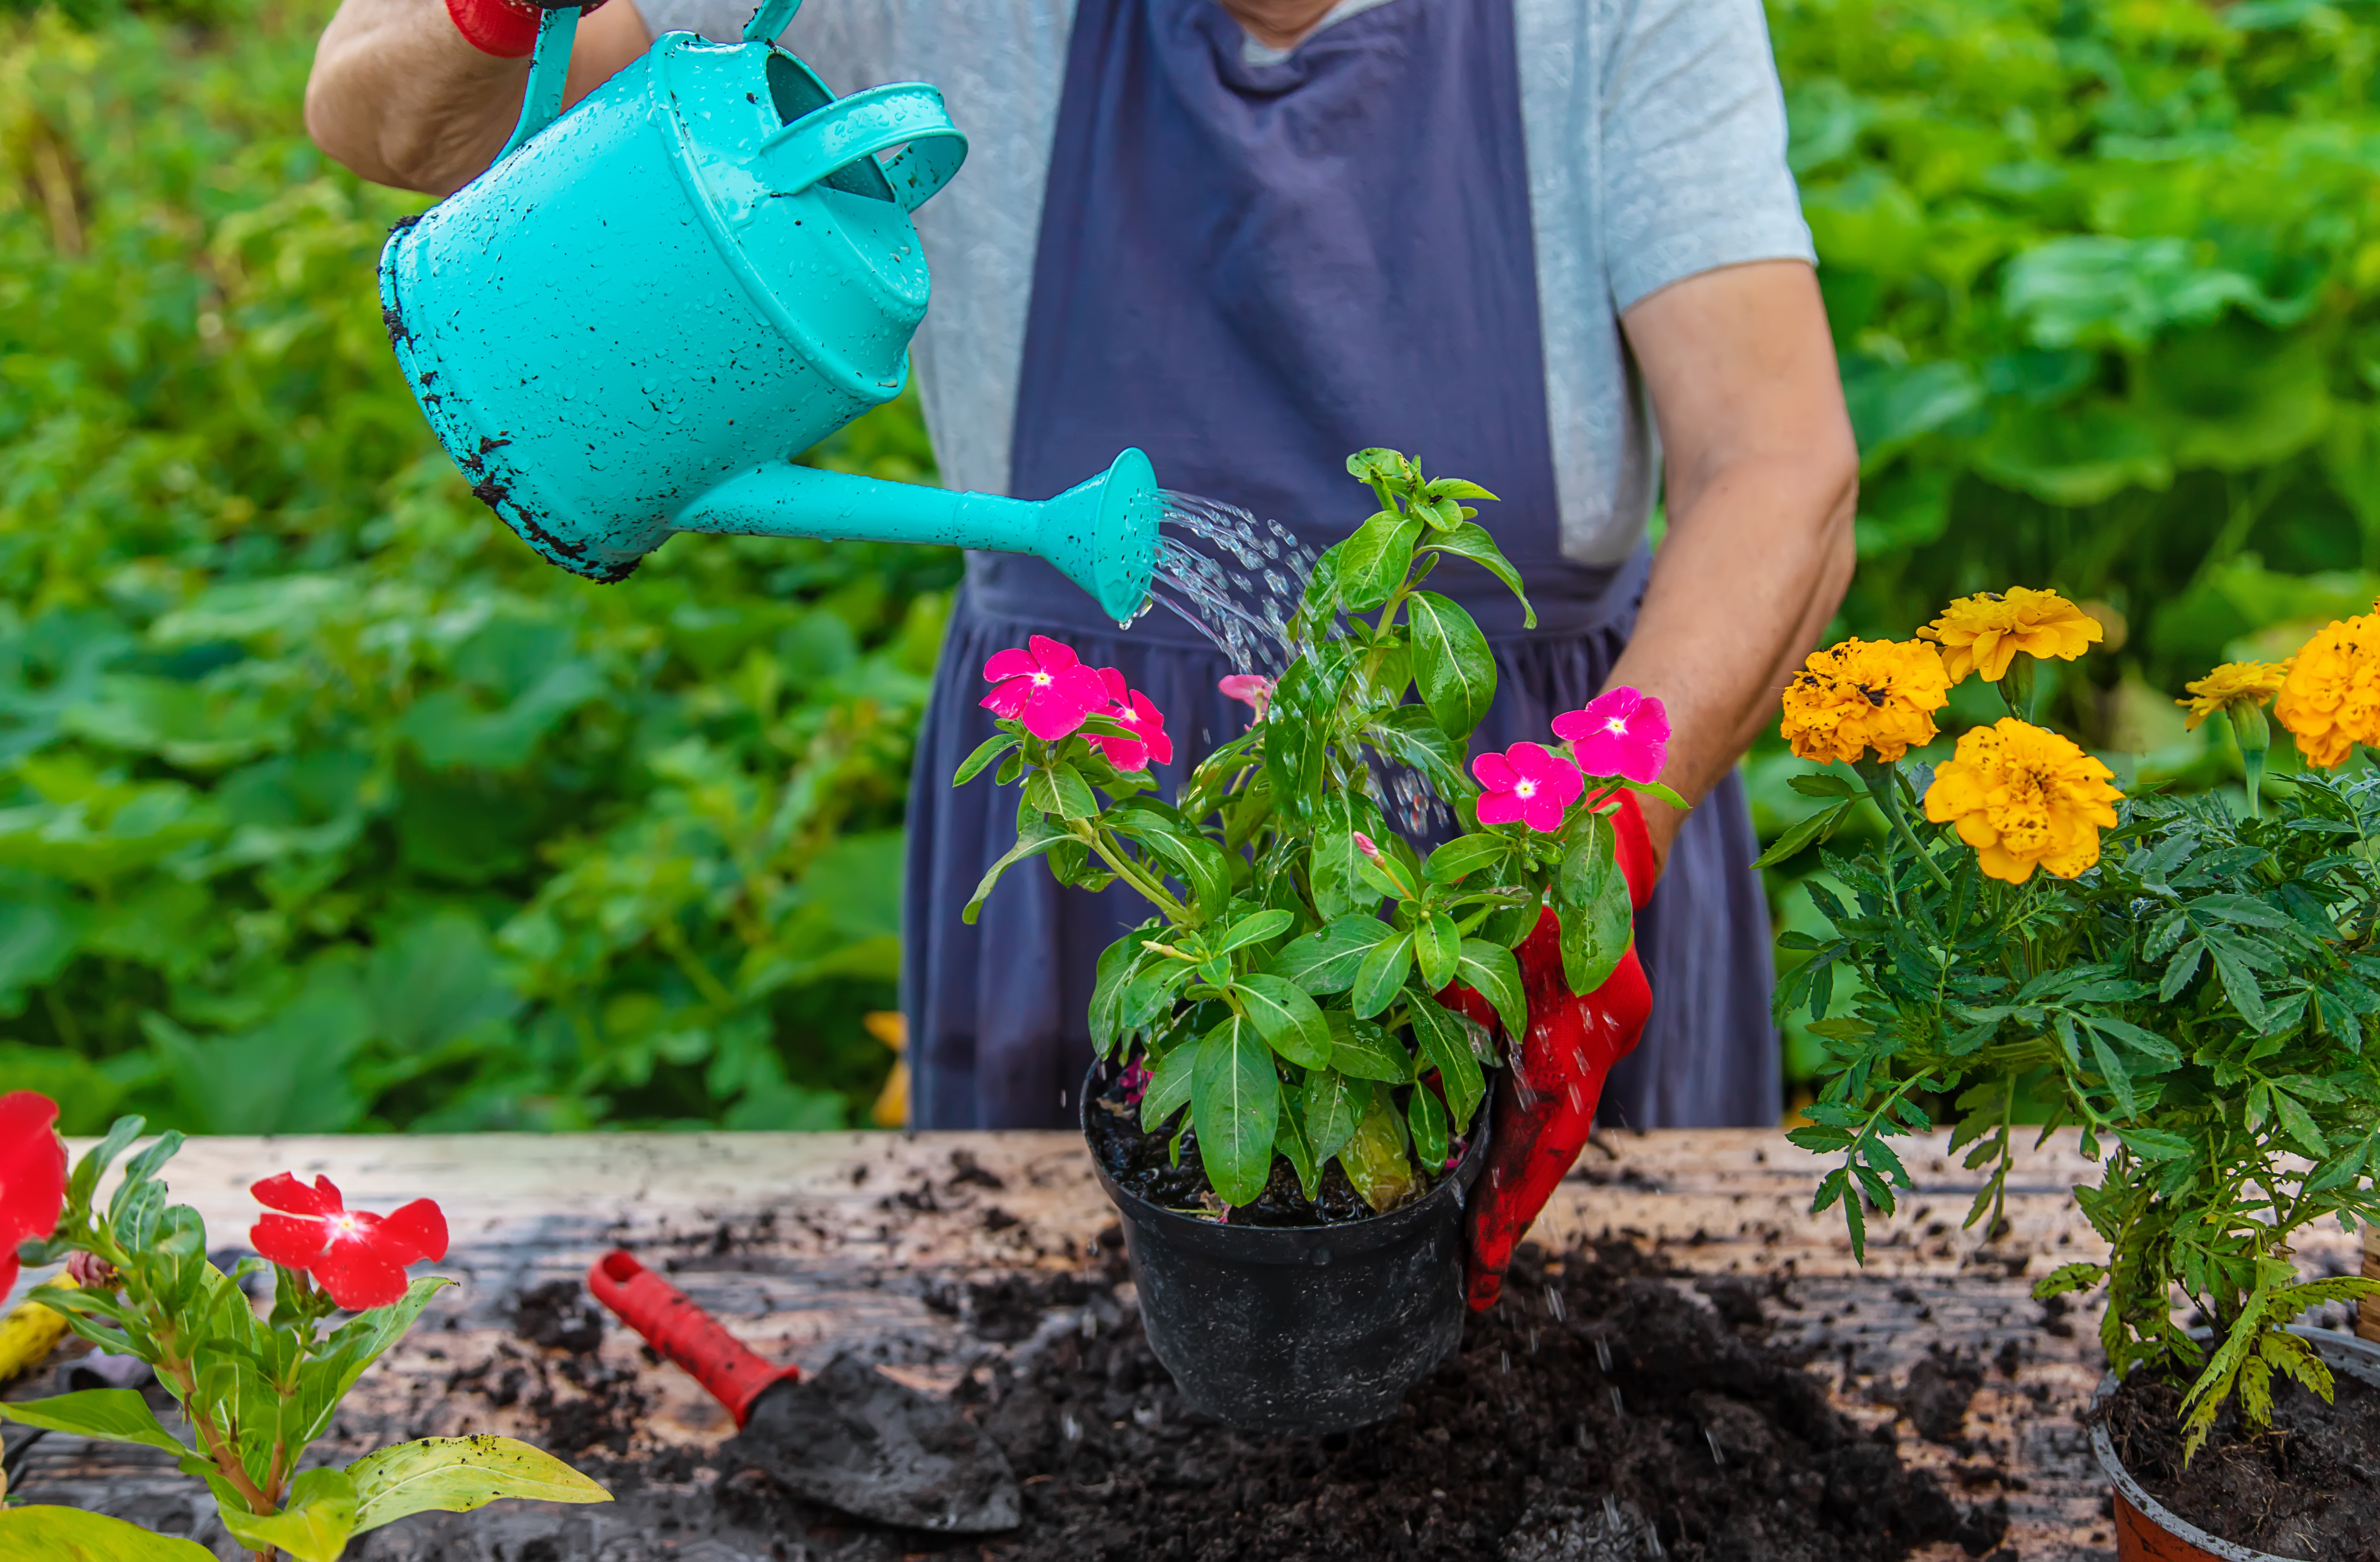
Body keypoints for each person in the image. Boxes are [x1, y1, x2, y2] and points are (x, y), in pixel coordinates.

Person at [307, 0, 1858, 1134]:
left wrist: (1593, 848)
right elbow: (396, 121)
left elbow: (1777, 464)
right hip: (1093, 840)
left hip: (1525, 833)